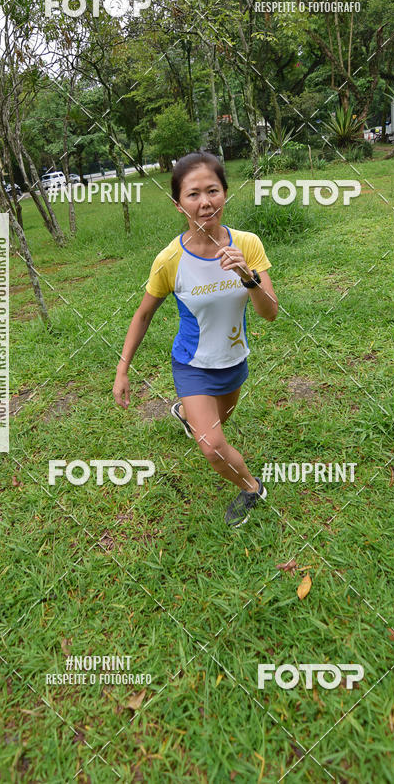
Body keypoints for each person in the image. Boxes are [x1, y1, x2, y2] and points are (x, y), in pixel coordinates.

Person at [112, 151, 279, 528]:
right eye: (193, 195)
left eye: (213, 191)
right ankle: (253, 488)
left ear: (224, 194)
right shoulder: (170, 260)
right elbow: (143, 315)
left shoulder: (248, 244)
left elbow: (270, 312)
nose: (205, 203)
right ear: (178, 205)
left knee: (219, 422)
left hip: (234, 361)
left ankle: (186, 413)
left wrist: (247, 275)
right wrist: (123, 370)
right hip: (191, 364)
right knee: (212, 446)